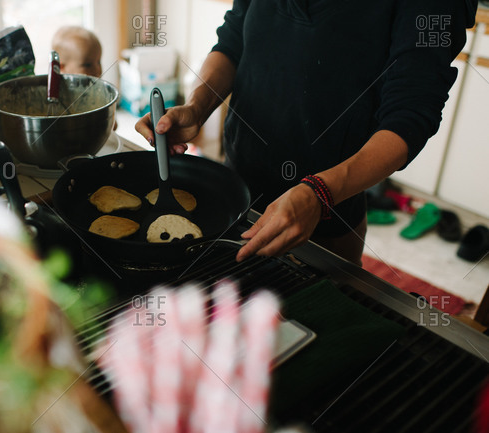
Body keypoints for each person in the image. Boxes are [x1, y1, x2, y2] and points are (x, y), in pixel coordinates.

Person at [136, 0, 477, 266]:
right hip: (234, 194)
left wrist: (320, 193)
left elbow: (411, 114)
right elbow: (234, 39)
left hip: (325, 227)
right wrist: (198, 107)